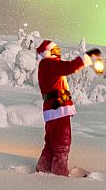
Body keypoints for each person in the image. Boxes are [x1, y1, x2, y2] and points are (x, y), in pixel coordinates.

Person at [35, 39, 101, 175]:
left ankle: (43, 167)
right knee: (62, 142)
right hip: (58, 110)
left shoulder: (46, 65)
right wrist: (88, 56)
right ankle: (59, 173)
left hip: (52, 109)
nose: (59, 50)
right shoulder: (49, 63)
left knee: (51, 141)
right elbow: (70, 67)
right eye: (56, 48)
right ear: (49, 51)